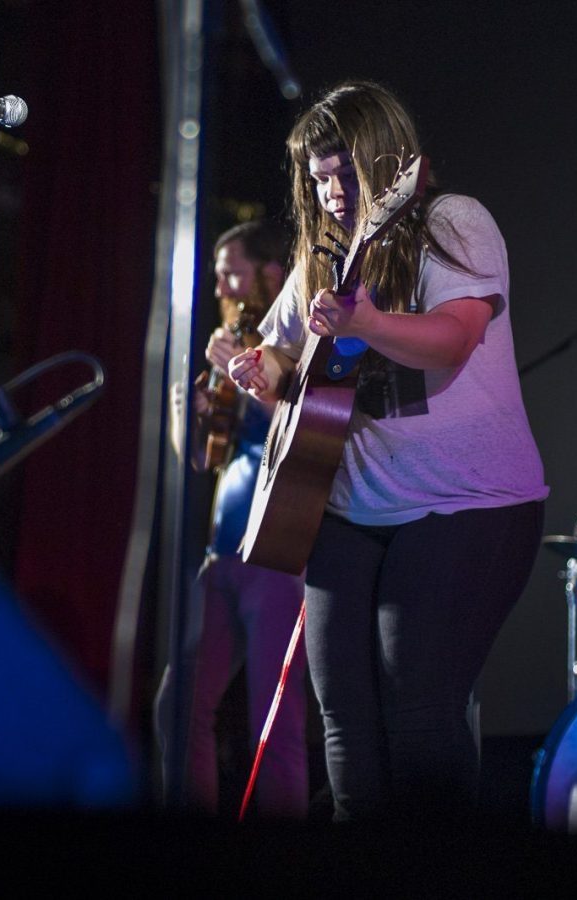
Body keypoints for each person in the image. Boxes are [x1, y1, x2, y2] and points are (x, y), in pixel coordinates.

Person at [229, 81, 548, 823]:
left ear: (384, 158)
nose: (331, 191)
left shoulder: (451, 222)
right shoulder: (321, 255)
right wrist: (261, 373)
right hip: (346, 507)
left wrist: (367, 322)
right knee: (343, 720)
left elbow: (453, 340)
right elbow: (285, 361)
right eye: (317, 178)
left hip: (466, 505)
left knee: (422, 716)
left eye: (342, 171)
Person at [155, 219, 309, 818]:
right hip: (223, 554)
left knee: (276, 723)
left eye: (231, 269)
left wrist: (247, 375)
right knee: (179, 703)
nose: (220, 281)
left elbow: (302, 435)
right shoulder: (230, 337)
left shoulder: (292, 342)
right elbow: (199, 458)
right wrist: (182, 413)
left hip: (277, 556)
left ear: (270, 273)